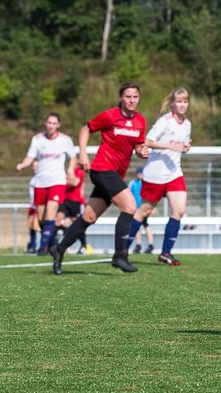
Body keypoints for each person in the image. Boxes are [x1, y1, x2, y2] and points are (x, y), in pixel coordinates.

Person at [46, 82, 150, 275]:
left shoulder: (140, 122)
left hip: (115, 175)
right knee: (130, 207)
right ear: (121, 97)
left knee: (89, 217)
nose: (132, 100)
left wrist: (141, 151)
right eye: (128, 96)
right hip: (102, 169)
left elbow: (137, 145)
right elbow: (86, 129)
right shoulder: (110, 116)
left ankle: (58, 249)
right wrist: (83, 153)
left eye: (135, 96)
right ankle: (120, 256)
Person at [122, 88, 191, 266]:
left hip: (174, 172)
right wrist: (170, 146)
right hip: (155, 173)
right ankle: (123, 248)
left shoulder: (187, 124)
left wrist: (185, 146)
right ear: (173, 103)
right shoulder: (165, 121)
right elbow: (148, 140)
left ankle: (166, 253)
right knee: (144, 211)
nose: (182, 105)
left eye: (185, 101)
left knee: (179, 210)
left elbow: (182, 144)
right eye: (179, 101)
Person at [15, 113, 77, 257]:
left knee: (51, 212)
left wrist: (70, 170)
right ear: (45, 123)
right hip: (40, 182)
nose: (51, 126)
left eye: (54, 123)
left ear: (58, 125)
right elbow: (30, 156)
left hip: (57, 181)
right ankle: (52, 241)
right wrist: (23, 164)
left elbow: (73, 157)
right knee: (42, 218)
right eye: (49, 123)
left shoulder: (65, 140)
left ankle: (43, 247)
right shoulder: (37, 139)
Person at [127, 168, 154, 254]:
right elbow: (128, 194)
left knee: (145, 225)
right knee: (136, 226)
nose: (139, 175)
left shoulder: (146, 183)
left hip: (144, 208)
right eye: (138, 173)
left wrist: (151, 208)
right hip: (135, 208)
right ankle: (138, 245)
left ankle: (150, 245)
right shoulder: (133, 183)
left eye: (141, 173)